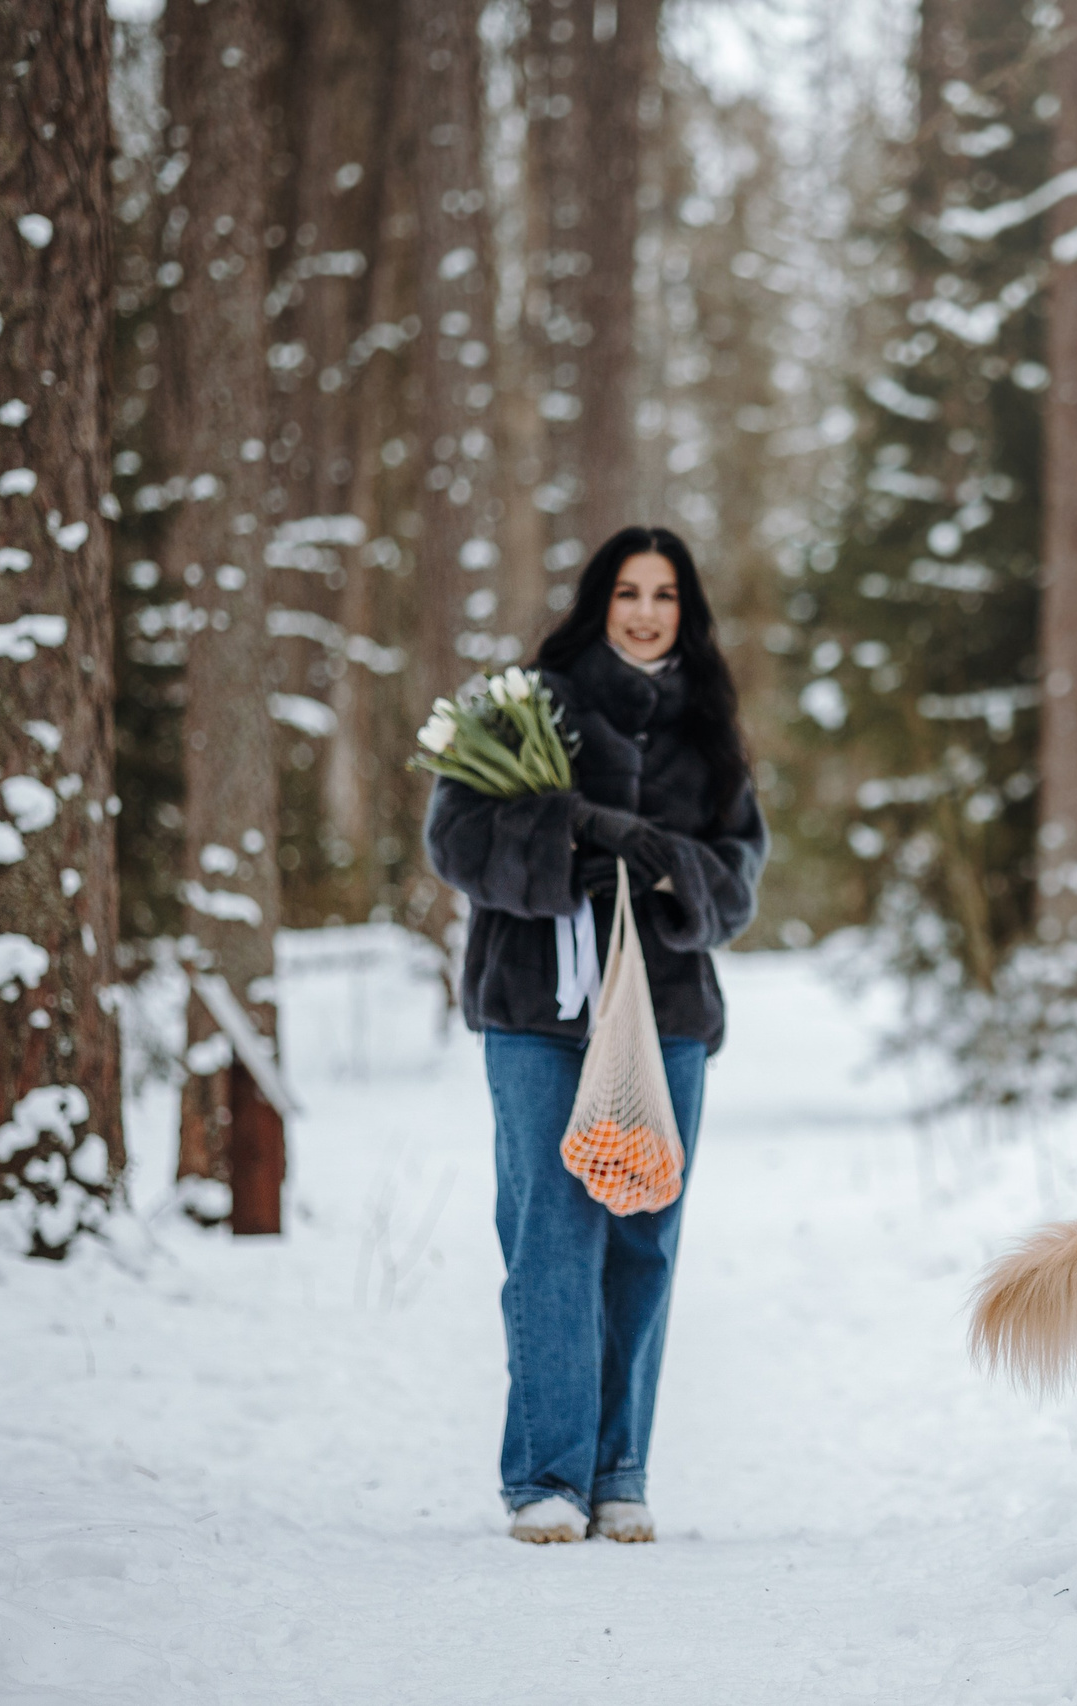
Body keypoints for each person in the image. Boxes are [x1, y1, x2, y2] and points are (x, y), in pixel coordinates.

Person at [424, 525, 767, 1544]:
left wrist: (663, 867)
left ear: (686, 609)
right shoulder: (523, 703)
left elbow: (738, 873)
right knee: (548, 1238)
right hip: (536, 1007)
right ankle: (545, 1475)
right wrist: (557, 843)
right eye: (628, 590)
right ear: (598, 600)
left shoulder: (710, 729)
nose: (646, 611)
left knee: (642, 1236)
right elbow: (455, 838)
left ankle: (620, 1471)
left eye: (665, 593)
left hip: (663, 1013)